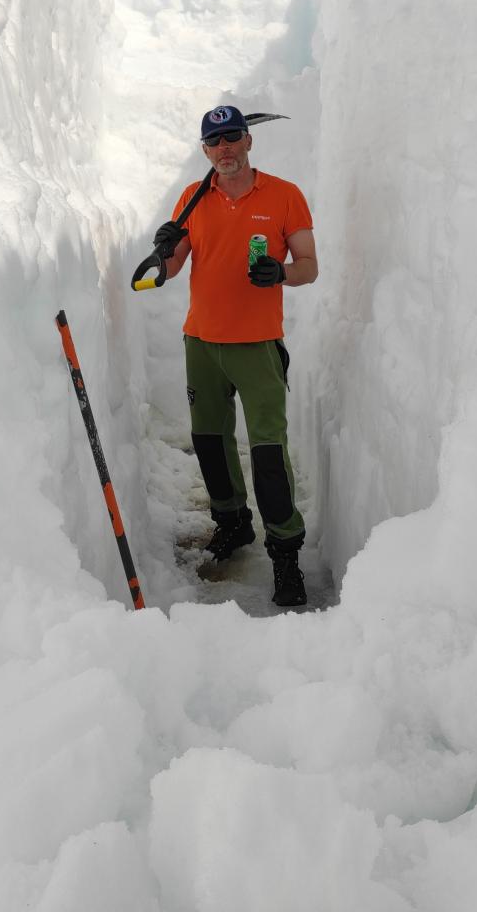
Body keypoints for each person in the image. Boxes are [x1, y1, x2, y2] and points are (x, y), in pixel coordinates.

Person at [153, 105, 318, 606]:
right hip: (201, 342)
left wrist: (281, 274)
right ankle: (232, 523)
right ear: (205, 150)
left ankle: (285, 555)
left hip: (258, 345)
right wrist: (163, 250)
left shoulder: (285, 196)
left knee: (268, 452)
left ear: (249, 141)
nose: (224, 148)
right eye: (214, 141)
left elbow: (309, 266)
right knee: (210, 441)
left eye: (232, 137)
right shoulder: (192, 198)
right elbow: (173, 266)